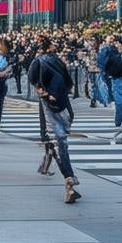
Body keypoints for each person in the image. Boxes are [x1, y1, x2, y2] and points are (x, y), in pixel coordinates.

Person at [32, 38, 80, 204]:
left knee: (57, 142)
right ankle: (49, 165)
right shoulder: (58, 62)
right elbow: (68, 83)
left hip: (50, 107)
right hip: (64, 106)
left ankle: (69, 180)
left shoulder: (39, 62)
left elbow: (35, 81)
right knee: (57, 142)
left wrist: (45, 92)